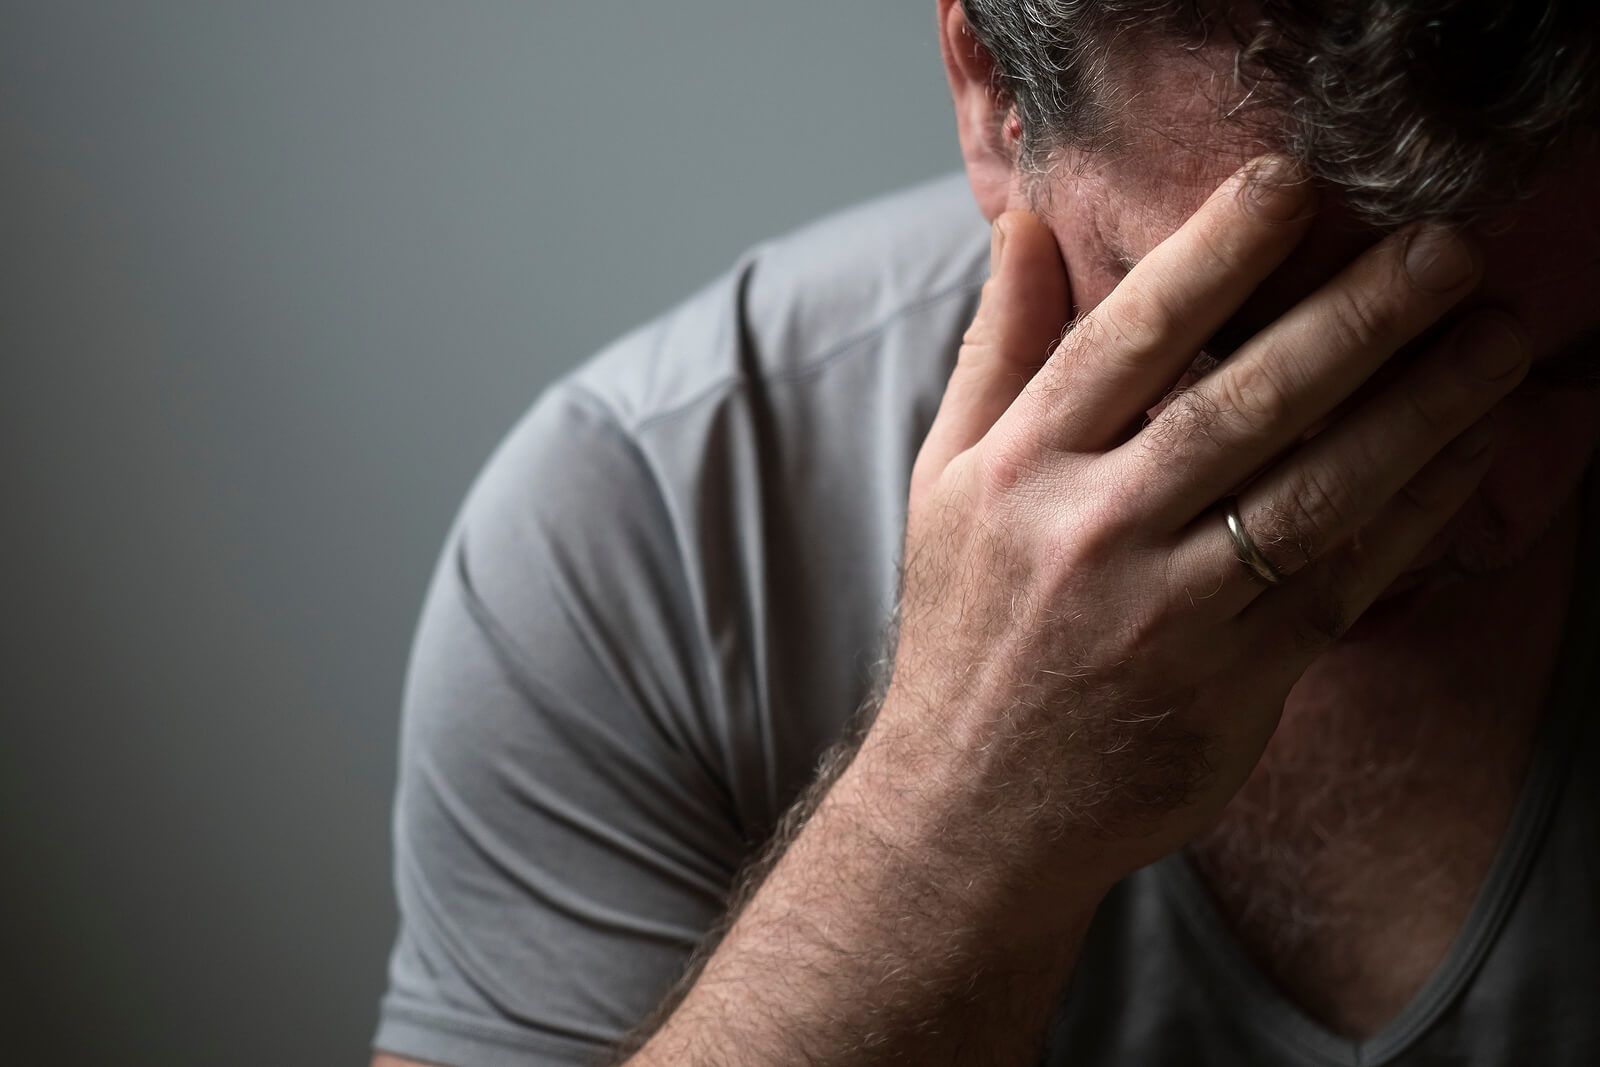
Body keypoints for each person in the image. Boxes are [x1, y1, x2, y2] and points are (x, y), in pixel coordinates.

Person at [371, 2, 1600, 1064]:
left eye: (1548, 368)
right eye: (1250, 357)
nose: (1402, 492)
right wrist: (953, 814)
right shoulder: (645, 532)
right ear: (992, 97)